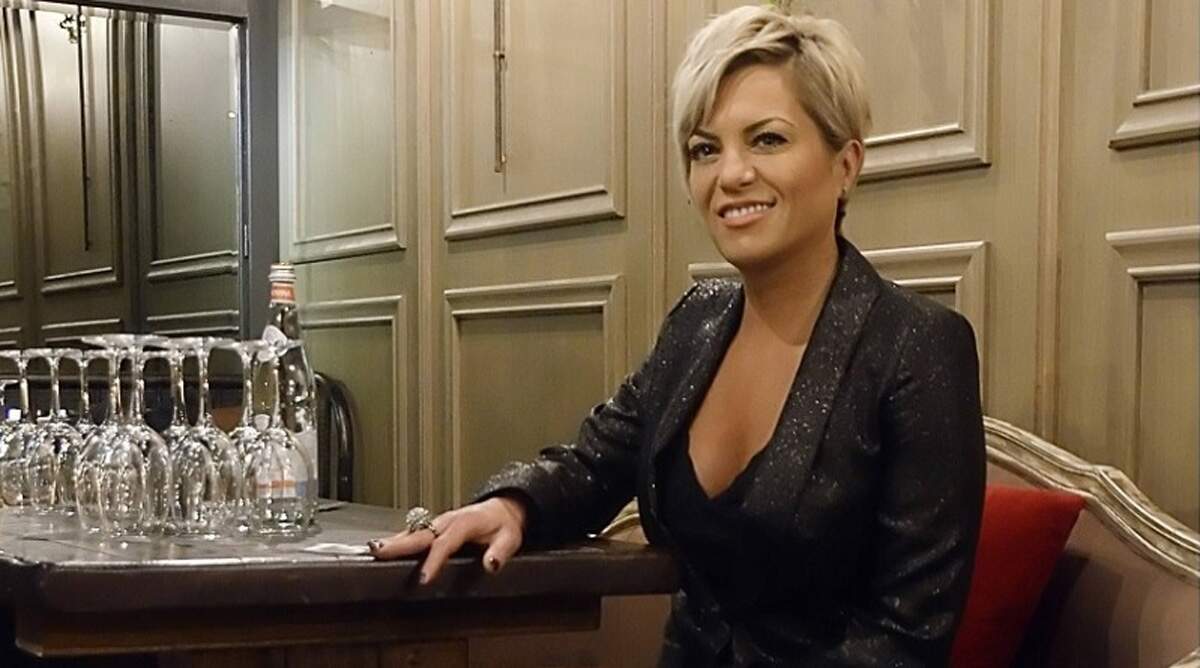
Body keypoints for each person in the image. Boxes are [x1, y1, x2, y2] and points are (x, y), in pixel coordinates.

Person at [369, 6, 985, 666]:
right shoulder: (698, 321)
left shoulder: (917, 345)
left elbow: (906, 639)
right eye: (704, 149)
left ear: (846, 165)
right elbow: (592, 466)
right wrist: (514, 506)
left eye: (767, 140)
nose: (731, 174)